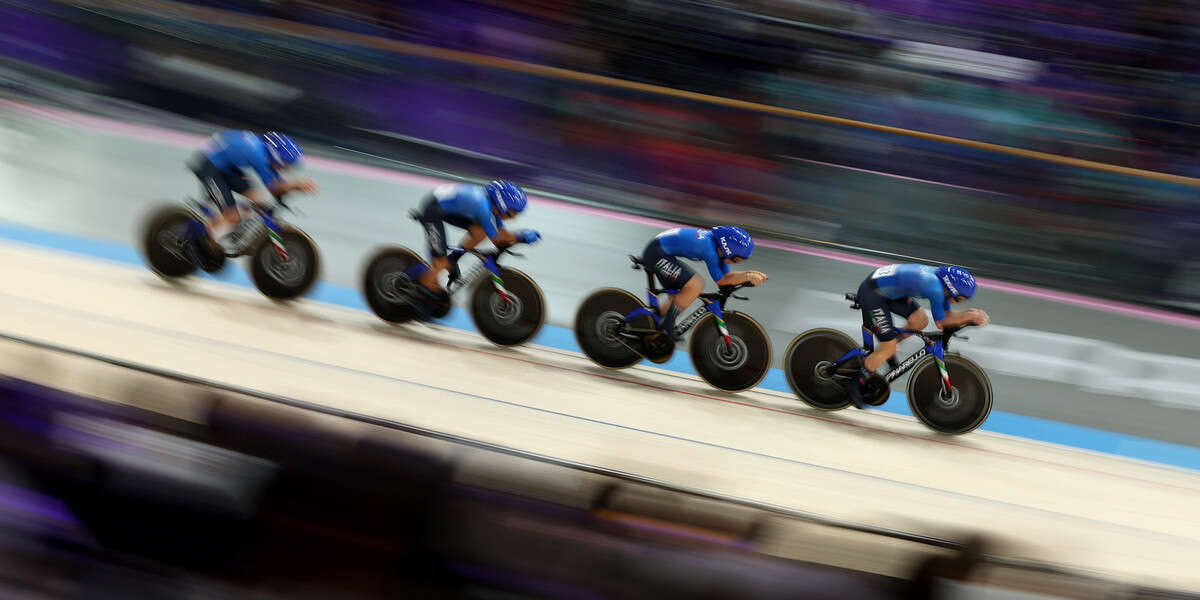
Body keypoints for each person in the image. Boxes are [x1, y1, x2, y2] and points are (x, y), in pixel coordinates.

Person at [844, 263, 989, 408]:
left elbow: (948, 315)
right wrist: (970, 316)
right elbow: (942, 322)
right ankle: (855, 382)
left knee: (920, 320)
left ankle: (888, 344)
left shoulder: (940, 283)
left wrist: (968, 316)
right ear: (950, 289)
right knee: (889, 349)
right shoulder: (934, 287)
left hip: (886, 288)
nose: (955, 302)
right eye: (958, 299)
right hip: (873, 293)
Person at [185, 130, 317, 265]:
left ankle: (228, 228)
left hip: (226, 166)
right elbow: (274, 188)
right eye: (286, 165)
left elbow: (277, 188)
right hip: (208, 167)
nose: (286, 169)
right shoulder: (258, 156)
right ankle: (196, 242)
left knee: (258, 200)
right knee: (233, 217)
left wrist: (287, 191)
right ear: (277, 157)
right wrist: (298, 186)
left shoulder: (265, 151)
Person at [408, 180, 539, 313]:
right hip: (433, 210)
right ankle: (419, 294)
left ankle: (453, 258)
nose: (513, 218)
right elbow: (497, 239)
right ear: (502, 204)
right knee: (440, 263)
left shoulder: (492, 207)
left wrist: (516, 237)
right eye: (513, 212)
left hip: (444, 205)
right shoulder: (482, 206)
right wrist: (521, 235)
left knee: (480, 232)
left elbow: (501, 233)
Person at [640, 226, 767, 340]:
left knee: (680, 294)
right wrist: (748, 276)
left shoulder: (717, 248)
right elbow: (722, 282)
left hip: (659, 250)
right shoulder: (709, 250)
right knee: (695, 285)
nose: (736, 263)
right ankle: (667, 327)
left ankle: (651, 323)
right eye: (736, 259)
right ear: (726, 250)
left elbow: (727, 276)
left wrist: (751, 274)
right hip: (656, 254)